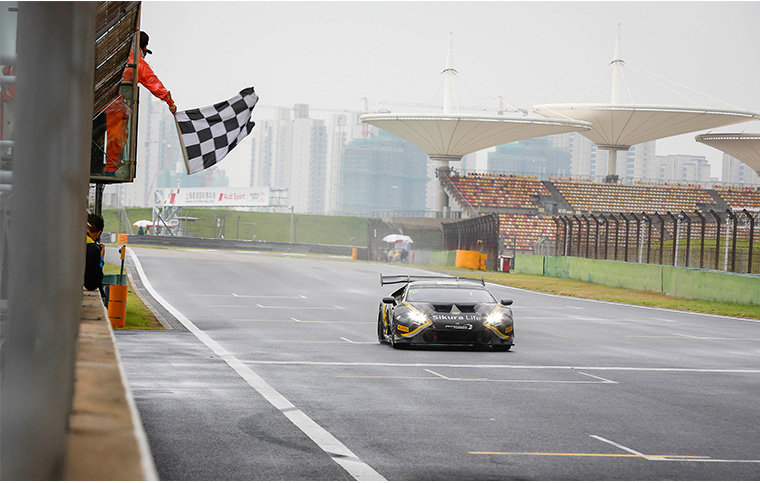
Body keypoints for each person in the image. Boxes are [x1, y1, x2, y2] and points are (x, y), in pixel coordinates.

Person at [104, 31, 176, 175]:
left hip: (96, 103)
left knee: (95, 136)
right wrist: (170, 102)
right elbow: (153, 83)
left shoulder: (111, 54)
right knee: (116, 136)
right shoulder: (136, 62)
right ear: (144, 47)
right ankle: (111, 168)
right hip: (115, 106)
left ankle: (95, 163)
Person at [84, 213, 105, 297]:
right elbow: (92, 284)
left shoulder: (69, 238)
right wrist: (101, 258)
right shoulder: (93, 249)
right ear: (98, 233)